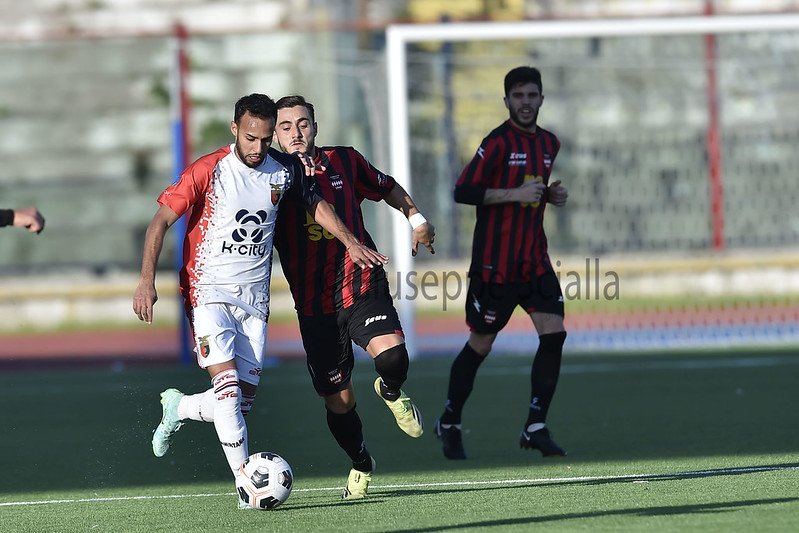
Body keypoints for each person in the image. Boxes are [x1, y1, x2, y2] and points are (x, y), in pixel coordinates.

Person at [132, 93, 387, 509]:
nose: (258, 148)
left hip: (255, 301)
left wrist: (351, 241)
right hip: (208, 291)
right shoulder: (209, 170)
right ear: (235, 129)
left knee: (239, 403)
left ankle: (179, 407)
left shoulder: (282, 170)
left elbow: (316, 204)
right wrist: (146, 281)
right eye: (251, 138)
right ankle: (245, 483)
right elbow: (160, 221)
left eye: (266, 139)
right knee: (228, 389)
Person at [272, 95, 435, 499]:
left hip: (361, 283)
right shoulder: (268, 177)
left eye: (303, 123)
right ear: (274, 135)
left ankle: (391, 391)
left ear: (315, 126)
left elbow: (387, 187)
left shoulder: (344, 161)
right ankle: (362, 462)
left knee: (394, 356)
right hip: (315, 308)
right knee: (339, 401)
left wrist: (417, 218)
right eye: (286, 126)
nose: (296, 132)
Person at [434, 66, 569, 460]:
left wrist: (549, 196)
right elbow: (463, 191)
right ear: (507, 101)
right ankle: (450, 419)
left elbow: (531, 191)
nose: (525, 103)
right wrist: (517, 193)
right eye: (518, 96)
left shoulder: (550, 143)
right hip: (495, 267)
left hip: (535, 262)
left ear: (541, 99)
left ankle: (536, 425)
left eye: (532, 95)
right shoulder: (495, 142)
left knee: (554, 335)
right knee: (481, 344)